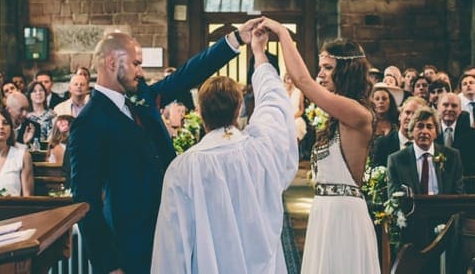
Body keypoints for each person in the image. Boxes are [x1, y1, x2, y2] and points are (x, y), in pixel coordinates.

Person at [69, 18, 261, 274]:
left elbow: (187, 75)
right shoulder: (89, 122)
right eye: (136, 64)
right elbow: (85, 200)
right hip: (132, 243)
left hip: (174, 227)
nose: (140, 71)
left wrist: (236, 39)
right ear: (112, 62)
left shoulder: (141, 97)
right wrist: (109, 264)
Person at [151, 28, 298, 273]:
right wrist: (259, 52)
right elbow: (274, 103)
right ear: (239, 107)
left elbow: (173, 245)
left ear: (199, 111)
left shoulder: (184, 167)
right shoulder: (262, 149)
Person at [257, 17, 379, 274]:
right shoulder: (340, 116)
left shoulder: (358, 113)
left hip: (344, 216)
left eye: (327, 68)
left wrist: (281, 31)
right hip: (325, 211)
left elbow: (302, 80)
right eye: (321, 67)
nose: (320, 74)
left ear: (346, 71)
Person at [387, 105, 464, 195]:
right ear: (412, 131)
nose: (424, 131)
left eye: (429, 126)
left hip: (444, 208)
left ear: (436, 132)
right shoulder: (397, 160)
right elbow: (394, 200)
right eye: (420, 126)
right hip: (413, 208)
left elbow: (459, 193)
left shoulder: (452, 156)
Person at [372, 96, 428, 164]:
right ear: (400, 116)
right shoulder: (383, 143)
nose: (410, 117)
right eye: (407, 112)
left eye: (415, 114)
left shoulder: (429, 145)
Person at [25, 80, 55, 147]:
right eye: (34, 91)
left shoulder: (52, 114)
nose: (38, 93)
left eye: (41, 90)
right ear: (29, 95)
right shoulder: (26, 116)